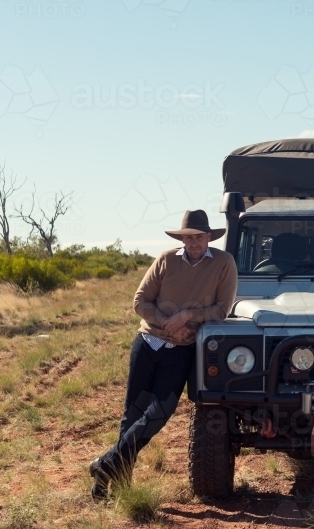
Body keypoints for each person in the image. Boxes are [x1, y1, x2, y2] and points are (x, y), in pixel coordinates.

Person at [89, 209, 238, 498]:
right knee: (132, 415)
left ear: (209, 237)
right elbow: (140, 301)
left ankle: (105, 463)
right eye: (188, 238)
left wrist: (186, 316)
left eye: (198, 237)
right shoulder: (166, 260)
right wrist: (168, 324)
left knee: (159, 414)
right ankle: (114, 483)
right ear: (181, 239)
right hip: (147, 343)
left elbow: (222, 310)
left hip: (182, 351)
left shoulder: (224, 263)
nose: (193, 243)